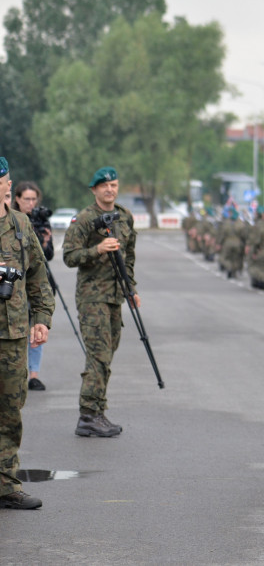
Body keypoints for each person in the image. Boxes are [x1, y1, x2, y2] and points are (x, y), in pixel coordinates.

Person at [63, 166, 138, 438]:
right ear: (94, 189)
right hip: (92, 296)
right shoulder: (83, 219)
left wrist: (131, 288)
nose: (110, 190)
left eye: (114, 185)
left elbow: (128, 257)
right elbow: (69, 257)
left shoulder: (124, 217)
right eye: (104, 186)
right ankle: (87, 415)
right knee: (98, 354)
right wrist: (97, 249)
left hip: (115, 296)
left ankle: (98, 411)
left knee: (108, 353)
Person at [0, 157, 54, 509]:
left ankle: (6, 484)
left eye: (4, 179)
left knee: (9, 412)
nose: (4, 185)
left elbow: (37, 276)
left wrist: (42, 318)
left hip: (13, 334)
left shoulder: (20, 224)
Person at [13, 181, 53, 391]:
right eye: (26, 199)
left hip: (35, 286)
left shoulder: (40, 222)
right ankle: (15, 373)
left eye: (33, 199)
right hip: (15, 287)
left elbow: (46, 258)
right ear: (17, 199)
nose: (30, 203)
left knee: (36, 328)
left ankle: (34, 374)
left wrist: (45, 242)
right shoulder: (11, 222)